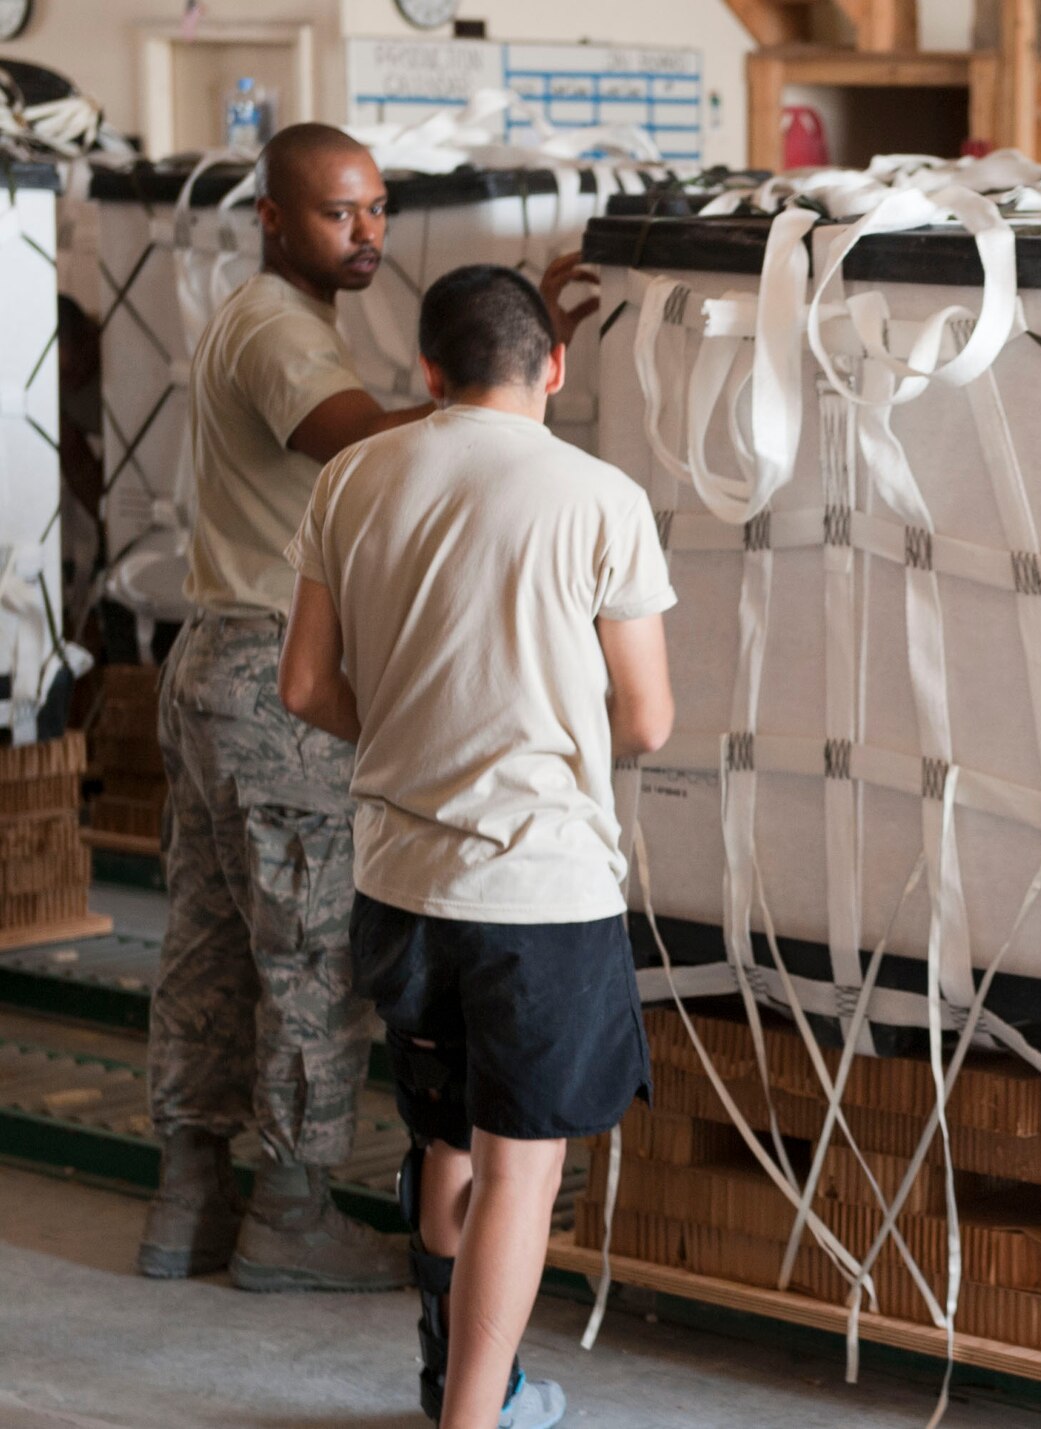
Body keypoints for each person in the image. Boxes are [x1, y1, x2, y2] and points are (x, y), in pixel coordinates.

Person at [279, 263, 673, 1428]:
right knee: (521, 1167)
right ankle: (474, 1418)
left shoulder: (352, 478)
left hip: (396, 886)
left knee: (443, 1139)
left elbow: (306, 681)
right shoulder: (601, 497)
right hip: (538, 893)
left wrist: (417, 736)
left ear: (428, 372)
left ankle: (460, 1380)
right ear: (553, 366)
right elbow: (646, 717)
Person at [141, 123, 437, 1290]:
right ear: (271, 218)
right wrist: (498, 391)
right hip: (276, 680)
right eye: (336, 213)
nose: (365, 232)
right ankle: (292, 1213)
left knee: (209, 944)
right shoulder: (273, 326)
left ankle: (187, 1205)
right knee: (308, 950)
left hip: (219, 666)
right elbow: (356, 444)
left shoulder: (280, 321)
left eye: (376, 210)